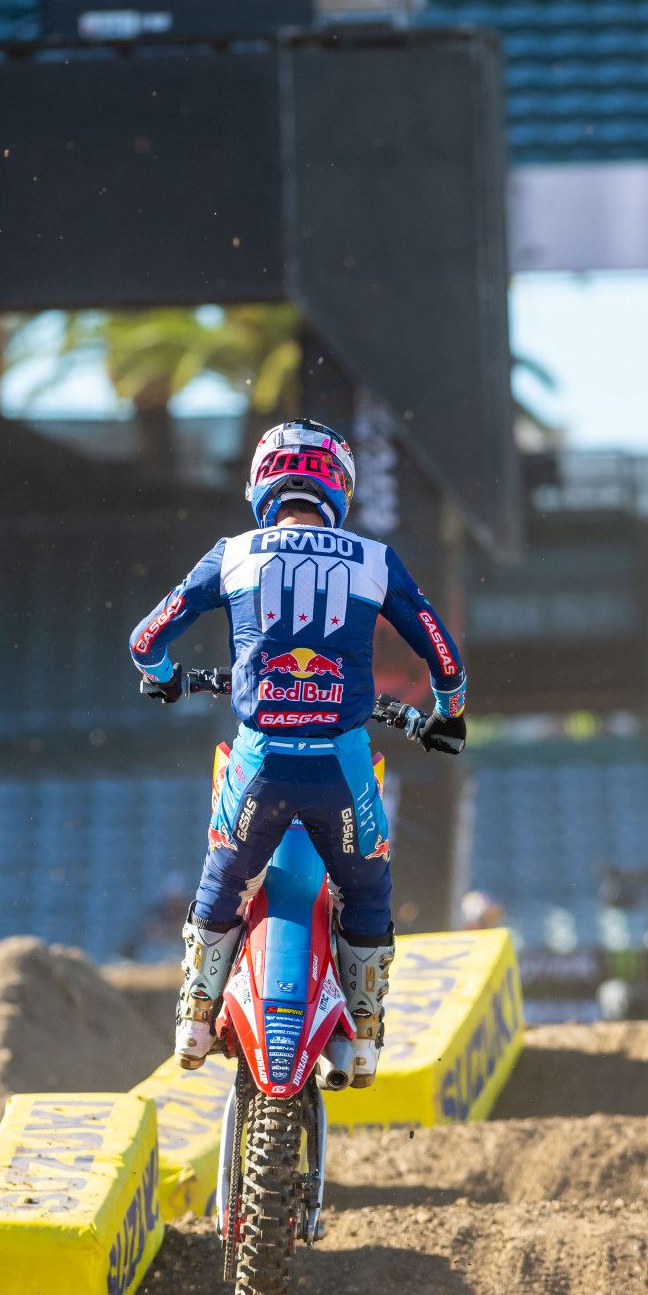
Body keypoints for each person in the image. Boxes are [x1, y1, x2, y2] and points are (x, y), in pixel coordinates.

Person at [129, 417, 466, 1080]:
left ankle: (195, 1020)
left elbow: (145, 641)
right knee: (366, 889)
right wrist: (447, 716)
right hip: (340, 764)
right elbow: (444, 658)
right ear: (337, 486)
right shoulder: (373, 559)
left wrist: (166, 682)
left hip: (260, 763)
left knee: (223, 880)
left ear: (262, 481)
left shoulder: (231, 553)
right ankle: (363, 1037)